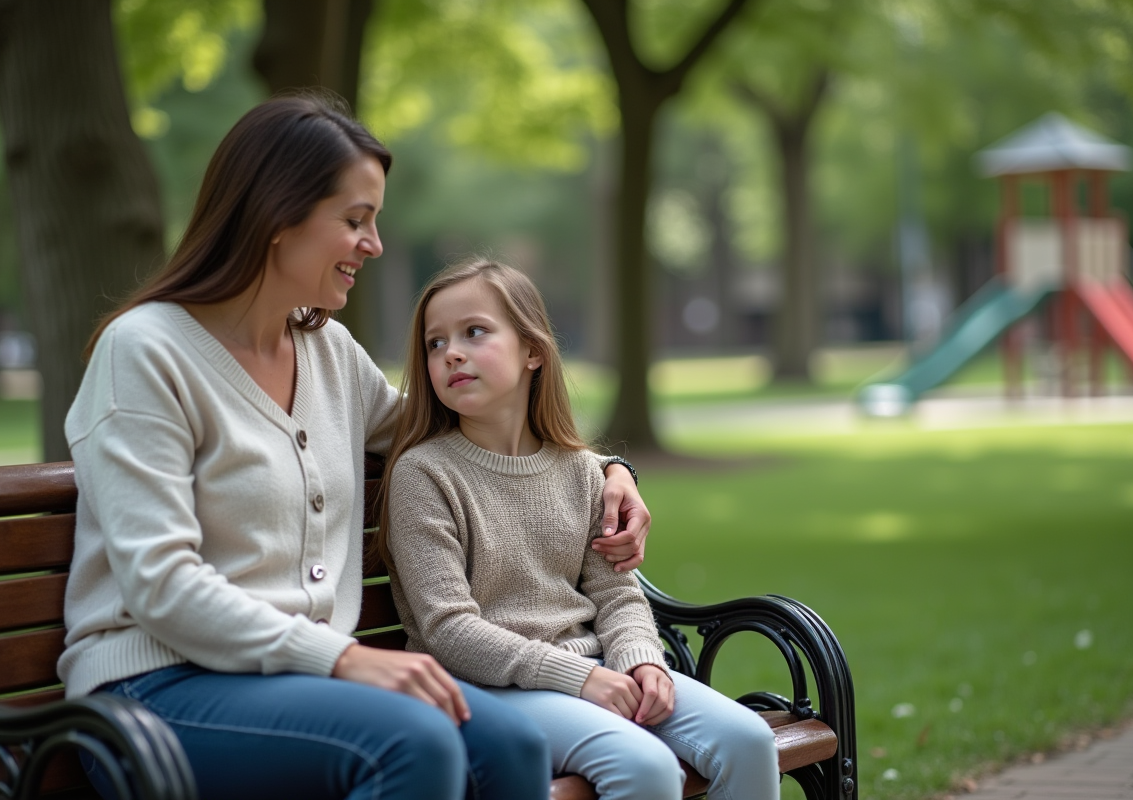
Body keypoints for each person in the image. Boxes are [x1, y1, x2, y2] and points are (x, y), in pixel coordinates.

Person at [60, 93, 650, 800]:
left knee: (511, 745)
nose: (373, 244)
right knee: (416, 744)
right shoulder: (145, 352)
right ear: (279, 216)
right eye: (355, 220)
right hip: (156, 690)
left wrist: (610, 470)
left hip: (306, 682)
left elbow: (464, 426)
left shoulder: (328, 353)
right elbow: (162, 584)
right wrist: (342, 658)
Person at [380, 259, 781, 800]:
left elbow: (617, 592)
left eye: (474, 332)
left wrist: (641, 660)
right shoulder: (424, 474)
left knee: (749, 739)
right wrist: (582, 680)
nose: (450, 352)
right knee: (644, 767)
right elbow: (448, 629)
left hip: (596, 667)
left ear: (532, 351)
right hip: (482, 686)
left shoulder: (581, 470)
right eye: (434, 343)